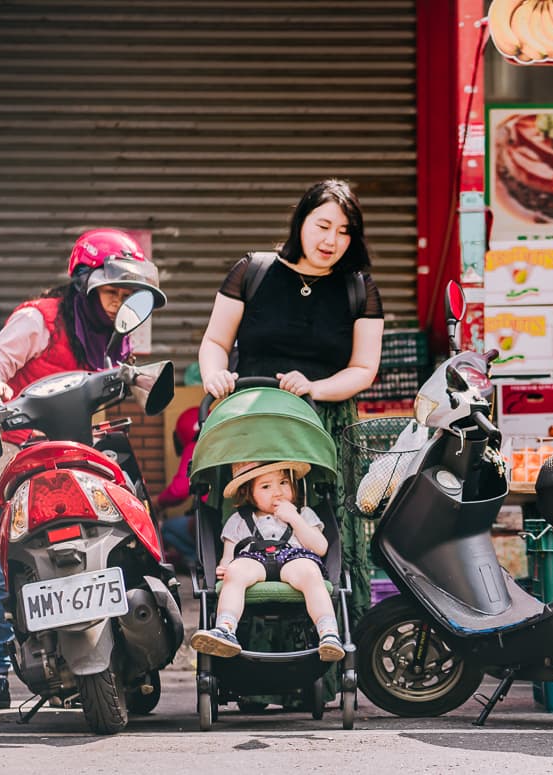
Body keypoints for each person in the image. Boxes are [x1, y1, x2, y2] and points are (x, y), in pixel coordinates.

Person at [0, 228, 166, 709]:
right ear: (85, 284)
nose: (119, 302)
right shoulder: (41, 319)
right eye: (112, 291)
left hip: (77, 454)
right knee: (9, 565)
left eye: (128, 294)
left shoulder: (115, 338)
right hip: (18, 453)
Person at [198, 179, 385, 624]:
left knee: (322, 528)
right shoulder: (253, 271)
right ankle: (239, 654)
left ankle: (330, 647)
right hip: (252, 421)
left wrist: (315, 387)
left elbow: (363, 369)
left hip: (324, 425)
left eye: (344, 232)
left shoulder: (359, 288)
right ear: (301, 221)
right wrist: (214, 376)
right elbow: (214, 341)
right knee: (248, 533)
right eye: (322, 226)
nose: (331, 241)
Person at [190, 460, 345, 661]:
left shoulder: (303, 513)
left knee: (310, 572)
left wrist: (294, 519)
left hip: (294, 557)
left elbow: (321, 547)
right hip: (254, 559)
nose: (278, 492)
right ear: (249, 492)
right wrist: (225, 566)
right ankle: (225, 628)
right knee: (236, 572)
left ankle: (328, 633)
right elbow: (229, 554)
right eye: (266, 486)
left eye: (283, 482)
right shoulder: (239, 520)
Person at [157, 406, 200, 569]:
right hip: (233, 520)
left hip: (208, 523)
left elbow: (179, 490)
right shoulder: (227, 446)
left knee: (165, 528)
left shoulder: (195, 448)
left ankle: (196, 558)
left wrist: (158, 502)